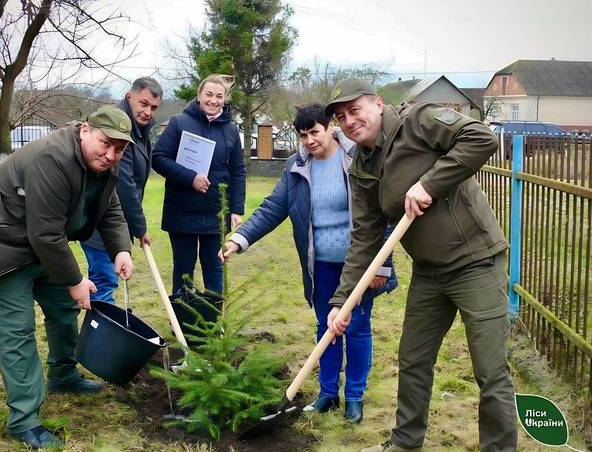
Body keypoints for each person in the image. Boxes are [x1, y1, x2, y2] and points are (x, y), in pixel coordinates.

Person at [324, 78, 517, 451]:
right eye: (341, 116)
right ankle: (405, 442)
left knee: (490, 372)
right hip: (429, 273)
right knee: (413, 361)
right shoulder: (361, 165)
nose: (348, 120)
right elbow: (365, 237)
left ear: (378, 104)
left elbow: (481, 139)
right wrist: (341, 300)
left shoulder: (419, 120)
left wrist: (429, 183)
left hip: (476, 262)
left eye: (355, 110)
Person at [0, 106, 135, 449]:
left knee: (64, 308)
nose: (111, 154)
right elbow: (47, 236)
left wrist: (121, 250)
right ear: (85, 130)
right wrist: (76, 280)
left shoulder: (102, 163)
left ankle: (63, 376)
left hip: (37, 238)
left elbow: (109, 207)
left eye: (119, 148)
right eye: (105, 143)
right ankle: (24, 420)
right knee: (18, 330)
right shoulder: (53, 158)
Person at [220, 103, 397, 424]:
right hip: (320, 266)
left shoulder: (356, 156)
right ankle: (327, 393)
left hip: (357, 266)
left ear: (330, 127)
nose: (309, 141)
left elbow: (381, 211)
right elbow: (273, 207)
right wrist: (239, 238)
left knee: (356, 327)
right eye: (303, 136)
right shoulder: (296, 167)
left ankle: (354, 398)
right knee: (325, 328)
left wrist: (381, 266)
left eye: (314, 132)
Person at [152, 74, 246, 295]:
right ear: (199, 96)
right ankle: (182, 324)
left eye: (219, 96)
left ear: (225, 99)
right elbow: (159, 158)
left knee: (214, 267)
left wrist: (236, 208)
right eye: (209, 95)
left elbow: (238, 172)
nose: (214, 100)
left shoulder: (231, 130)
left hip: (215, 214)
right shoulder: (179, 123)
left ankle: (214, 324)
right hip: (182, 212)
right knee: (184, 270)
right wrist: (190, 178)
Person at [81, 77, 162, 303]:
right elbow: (124, 185)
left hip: (115, 221)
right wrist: (140, 227)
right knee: (104, 281)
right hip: (100, 222)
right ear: (129, 96)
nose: (147, 112)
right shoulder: (119, 130)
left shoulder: (141, 131)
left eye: (153, 108)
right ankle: (103, 334)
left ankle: (102, 330)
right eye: (143, 104)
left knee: (105, 281)